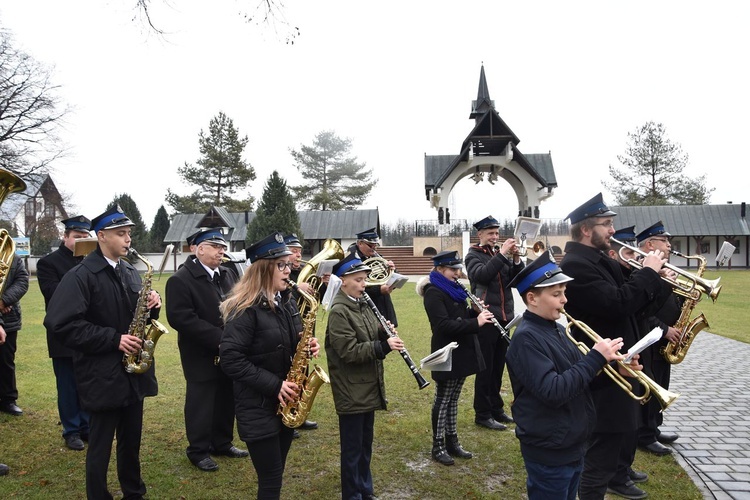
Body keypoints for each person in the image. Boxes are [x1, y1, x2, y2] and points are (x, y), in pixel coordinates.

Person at [43, 205, 162, 499]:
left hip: (133, 373)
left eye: (129, 234)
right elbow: (60, 323)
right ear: (101, 236)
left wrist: (153, 305)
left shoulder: (130, 271)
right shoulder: (80, 275)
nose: (128, 239)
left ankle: (133, 492)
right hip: (102, 374)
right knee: (100, 444)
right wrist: (113, 339)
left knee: (131, 440)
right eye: (121, 234)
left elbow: (138, 317)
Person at [559, 193, 673, 500]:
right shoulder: (577, 265)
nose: (612, 230)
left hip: (620, 365)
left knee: (613, 445)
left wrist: (659, 280)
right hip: (602, 373)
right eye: (607, 224)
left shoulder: (597, 260)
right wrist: (648, 272)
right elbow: (618, 304)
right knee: (599, 456)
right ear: (586, 229)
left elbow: (638, 308)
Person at [506, 251, 626, 500]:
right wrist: (595, 357)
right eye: (556, 294)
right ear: (532, 298)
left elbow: (578, 379)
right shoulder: (527, 338)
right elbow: (554, 390)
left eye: (564, 293)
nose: (564, 300)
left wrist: (616, 369)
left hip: (571, 443)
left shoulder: (555, 329)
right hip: (550, 449)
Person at [219, 231, 317, 500]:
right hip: (259, 406)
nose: (289, 270)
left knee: (276, 474)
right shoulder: (244, 308)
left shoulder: (285, 301)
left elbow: (288, 340)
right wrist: (275, 386)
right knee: (271, 480)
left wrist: (307, 345)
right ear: (263, 269)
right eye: (281, 265)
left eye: (289, 264)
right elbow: (230, 359)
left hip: (284, 405)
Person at [165, 228, 248, 472]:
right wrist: (220, 339)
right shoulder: (180, 279)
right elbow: (181, 318)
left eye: (223, 247)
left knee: (225, 396)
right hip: (200, 352)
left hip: (229, 348)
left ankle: (222, 442)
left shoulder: (227, 273)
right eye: (215, 246)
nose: (222, 251)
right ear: (199, 249)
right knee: (201, 401)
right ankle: (198, 450)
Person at [325, 253, 404, 500]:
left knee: (364, 446)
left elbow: (370, 334)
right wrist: (383, 346)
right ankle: (352, 494)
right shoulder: (339, 311)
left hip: (367, 386)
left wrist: (383, 332)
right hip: (351, 389)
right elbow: (348, 351)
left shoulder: (362, 302)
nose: (363, 285)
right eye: (359, 280)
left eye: (364, 280)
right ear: (343, 280)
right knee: (352, 449)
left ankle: (364, 490)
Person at [417, 250, 491, 466]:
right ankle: (437, 445)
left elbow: (460, 315)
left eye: (459, 269)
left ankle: (452, 441)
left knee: (454, 398)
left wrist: (475, 313)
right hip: (447, 352)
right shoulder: (434, 292)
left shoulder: (456, 289)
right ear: (440, 269)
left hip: (463, 349)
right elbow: (442, 325)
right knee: (443, 399)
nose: (458, 273)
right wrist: (475, 323)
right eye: (453, 269)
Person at [37, 215, 93, 450]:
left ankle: (87, 425)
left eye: (85, 237)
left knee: (88, 382)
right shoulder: (48, 263)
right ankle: (71, 430)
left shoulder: (91, 261)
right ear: (65, 237)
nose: (81, 241)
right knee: (68, 384)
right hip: (64, 332)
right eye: (77, 237)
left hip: (90, 331)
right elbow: (53, 294)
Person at [464, 215, 523, 430]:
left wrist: (516, 259)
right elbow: (482, 275)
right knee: (485, 369)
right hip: (485, 318)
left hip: (505, 317)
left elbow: (516, 279)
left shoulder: (499, 254)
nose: (495, 237)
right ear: (479, 235)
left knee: (499, 366)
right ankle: (482, 413)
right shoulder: (473, 256)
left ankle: (496, 408)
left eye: (497, 233)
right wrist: (503, 253)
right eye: (490, 233)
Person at [635, 221, 681, 455]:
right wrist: (665, 329)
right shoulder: (642, 269)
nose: (669, 245)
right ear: (651, 244)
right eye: (665, 240)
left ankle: (655, 427)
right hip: (651, 337)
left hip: (665, 339)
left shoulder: (664, 267)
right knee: (651, 387)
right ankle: (645, 433)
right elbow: (642, 309)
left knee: (662, 382)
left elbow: (666, 303)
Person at [284, 233, 319, 433]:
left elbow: (317, 299)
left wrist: (321, 283)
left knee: (302, 371)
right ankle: (287, 412)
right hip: (288, 330)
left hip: (304, 327)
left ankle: (299, 410)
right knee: (290, 373)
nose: (298, 256)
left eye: (299, 251)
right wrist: (299, 289)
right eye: (294, 252)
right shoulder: (287, 276)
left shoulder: (301, 273)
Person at [0, 237, 30, 417]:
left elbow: (22, 281)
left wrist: (4, 300)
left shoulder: (12, 256)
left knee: (6, 361)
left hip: (9, 318)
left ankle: (8, 399)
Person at [348, 227, 398, 326]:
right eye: (370, 245)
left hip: (384, 308)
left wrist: (392, 270)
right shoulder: (352, 261)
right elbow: (353, 289)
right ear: (360, 243)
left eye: (376, 245)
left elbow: (389, 278)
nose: (374, 248)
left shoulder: (376, 257)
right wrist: (379, 290)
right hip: (365, 311)